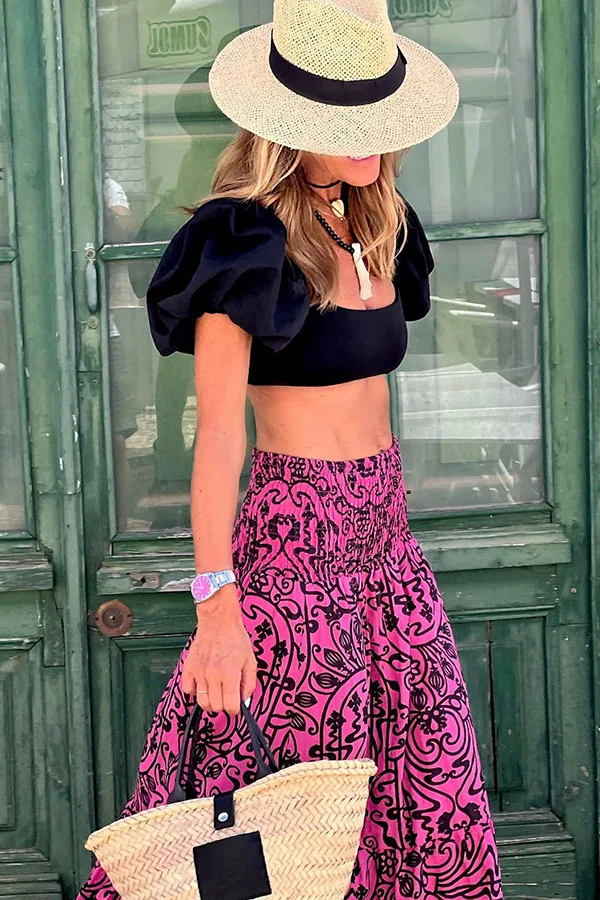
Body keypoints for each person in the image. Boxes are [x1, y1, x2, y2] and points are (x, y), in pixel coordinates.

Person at [77, 0, 503, 897]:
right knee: (292, 806)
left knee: (415, 788)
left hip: (386, 548)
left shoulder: (378, 221)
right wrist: (216, 609)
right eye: (347, 122)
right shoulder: (243, 241)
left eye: (380, 117)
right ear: (291, 126)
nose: (371, 140)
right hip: (295, 547)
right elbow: (216, 438)